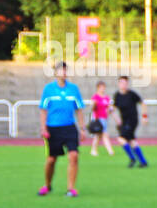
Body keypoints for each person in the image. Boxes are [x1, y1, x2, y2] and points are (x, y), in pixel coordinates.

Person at [38, 61, 85, 197]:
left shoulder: (74, 89)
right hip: (53, 128)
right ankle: (47, 185)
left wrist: (82, 129)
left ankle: (71, 188)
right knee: (52, 160)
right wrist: (43, 128)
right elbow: (43, 110)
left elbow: (79, 109)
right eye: (61, 70)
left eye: (65, 70)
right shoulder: (48, 89)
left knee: (74, 156)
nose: (64, 73)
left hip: (69, 127)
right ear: (56, 73)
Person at [112, 76, 149, 168]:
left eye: (125, 83)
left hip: (132, 121)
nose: (123, 84)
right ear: (118, 84)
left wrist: (144, 116)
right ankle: (143, 162)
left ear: (127, 84)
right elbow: (113, 109)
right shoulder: (117, 95)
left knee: (121, 139)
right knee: (132, 141)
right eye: (121, 82)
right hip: (124, 122)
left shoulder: (132, 94)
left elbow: (143, 103)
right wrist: (117, 120)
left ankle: (132, 158)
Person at [88, 81, 114, 157]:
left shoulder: (106, 98)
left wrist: (110, 110)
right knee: (104, 134)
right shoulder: (95, 97)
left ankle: (93, 150)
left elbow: (109, 108)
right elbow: (92, 108)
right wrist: (94, 104)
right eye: (101, 87)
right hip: (98, 119)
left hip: (105, 118)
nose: (103, 89)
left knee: (98, 136)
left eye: (104, 87)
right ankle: (110, 151)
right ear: (98, 88)